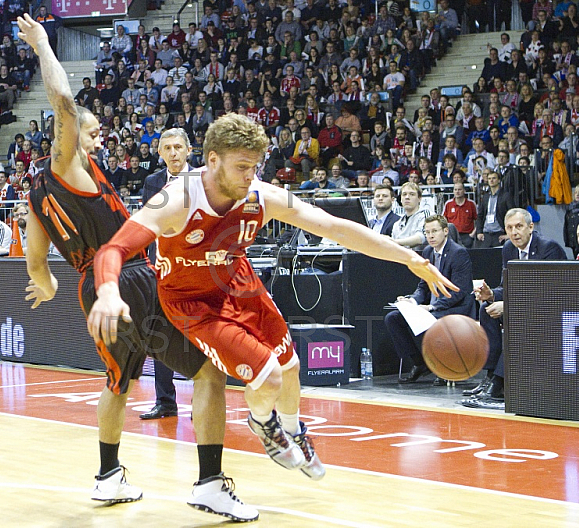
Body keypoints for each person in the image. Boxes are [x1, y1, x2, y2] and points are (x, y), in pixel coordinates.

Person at [87, 113, 456, 482]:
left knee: (291, 367)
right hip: (192, 300)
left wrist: (411, 258)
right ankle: (263, 422)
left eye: (255, 167)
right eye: (242, 167)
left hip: (239, 284)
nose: (250, 176)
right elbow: (113, 249)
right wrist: (106, 292)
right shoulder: (178, 198)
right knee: (268, 376)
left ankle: (293, 430)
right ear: (212, 160)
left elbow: (336, 227)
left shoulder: (261, 196)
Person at [15, 14, 258, 522]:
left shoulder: (36, 195)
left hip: (91, 287)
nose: (99, 141)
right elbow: (62, 101)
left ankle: (108, 477)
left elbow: (40, 270)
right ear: (70, 138)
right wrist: (42, 45)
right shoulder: (67, 164)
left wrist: (47, 283)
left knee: (116, 383)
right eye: (93, 133)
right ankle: (211, 483)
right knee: (211, 371)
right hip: (129, 279)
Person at [464, 208, 566, 410]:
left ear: (530, 227)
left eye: (519, 226)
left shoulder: (549, 248)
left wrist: (509, 306)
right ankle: (492, 375)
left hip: (552, 311)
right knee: (487, 309)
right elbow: (508, 286)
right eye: (509, 228)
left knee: (516, 317)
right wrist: (491, 294)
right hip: (524, 307)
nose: (514, 232)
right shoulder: (509, 248)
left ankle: (501, 383)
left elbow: (550, 293)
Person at [138, 128, 193, 421]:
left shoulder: (203, 179)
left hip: (197, 271)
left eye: (177, 147)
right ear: (160, 153)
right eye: (167, 148)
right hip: (161, 270)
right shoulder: (153, 182)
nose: (173, 153)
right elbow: (148, 225)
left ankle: (206, 400)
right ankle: (165, 401)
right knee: (159, 336)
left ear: (188, 150)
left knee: (201, 335)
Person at [386, 214, 475, 384]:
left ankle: (444, 367)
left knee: (429, 319)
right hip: (432, 306)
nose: (431, 236)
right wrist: (412, 301)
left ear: (445, 231)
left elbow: (459, 291)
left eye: (434, 231)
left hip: (454, 307)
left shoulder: (458, 253)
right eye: (427, 232)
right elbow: (423, 285)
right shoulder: (427, 252)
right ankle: (420, 363)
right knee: (393, 318)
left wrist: (432, 308)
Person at [475, 171, 510, 247]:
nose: (491, 180)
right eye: (489, 178)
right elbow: (480, 216)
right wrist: (479, 232)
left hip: (499, 233)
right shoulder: (485, 197)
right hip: (486, 234)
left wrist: (508, 234)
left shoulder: (506, 196)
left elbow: (511, 215)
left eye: (494, 178)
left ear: (499, 180)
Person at [391, 182, 429, 249]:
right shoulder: (396, 224)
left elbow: (421, 238)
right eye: (404, 194)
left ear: (419, 198)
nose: (407, 197)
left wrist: (394, 242)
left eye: (412, 194)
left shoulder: (426, 215)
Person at [443, 182, 477, 248]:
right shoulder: (448, 204)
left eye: (459, 189)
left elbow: (478, 220)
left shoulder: (471, 204)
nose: (457, 192)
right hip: (452, 236)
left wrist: (472, 234)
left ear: (464, 191)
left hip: (467, 236)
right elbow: (443, 220)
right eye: (455, 190)